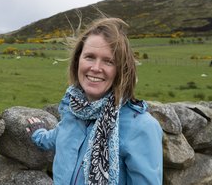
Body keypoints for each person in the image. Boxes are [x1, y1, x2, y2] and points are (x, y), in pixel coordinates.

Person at [26, 17, 163, 185]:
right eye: (90, 57)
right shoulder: (74, 111)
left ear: (122, 69)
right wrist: (37, 132)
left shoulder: (141, 127)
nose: (96, 68)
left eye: (109, 61)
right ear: (77, 61)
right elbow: (56, 137)